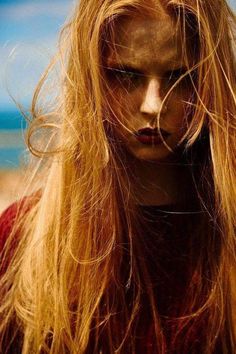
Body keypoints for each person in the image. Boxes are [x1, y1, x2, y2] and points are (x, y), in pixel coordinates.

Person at [0, 0, 235, 353]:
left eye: (178, 77)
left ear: (208, 83)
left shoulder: (227, 239)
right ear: (92, 80)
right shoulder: (20, 241)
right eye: (126, 76)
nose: (153, 105)